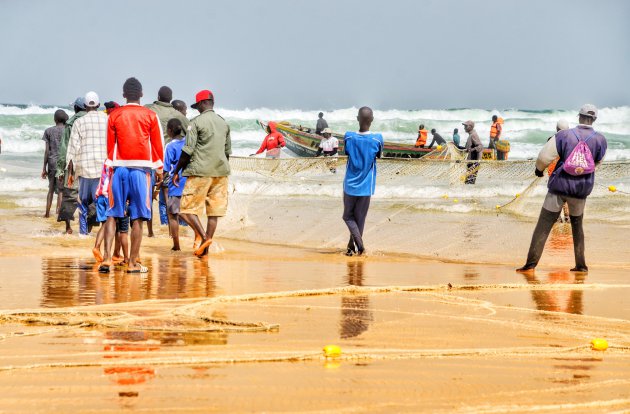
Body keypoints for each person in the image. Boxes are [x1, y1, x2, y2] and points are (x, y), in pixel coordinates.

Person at [516, 105, 607, 274]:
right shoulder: (600, 140)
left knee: (543, 225)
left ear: (579, 116)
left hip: (559, 187)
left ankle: (530, 265)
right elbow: (597, 163)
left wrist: (539, 169)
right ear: (594, 119)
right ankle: (581, 266)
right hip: (581, 190)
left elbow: (544, 157)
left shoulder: (564, 135)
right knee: (577, 227)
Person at [100, 77, 164, 274]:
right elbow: (157, 144)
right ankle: (133, 263)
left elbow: (110, 147)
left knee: (112, 214)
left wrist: (110, 168)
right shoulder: (151, 115)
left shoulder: (114, 115)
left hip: (119, 169)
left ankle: (107, 259)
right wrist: (159, 169)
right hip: (141, 171)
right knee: (138, 217)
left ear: (124, 94)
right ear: (142, 94)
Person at [172, 89, 231, 257]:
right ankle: (204, 249)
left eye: (197, 105)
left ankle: (204, 237)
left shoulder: (195, 123)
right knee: (213, 212)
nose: (196, 108)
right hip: (221, 173)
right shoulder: (224, 123)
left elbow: (188, 150)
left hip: (200, 172)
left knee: (185, 210)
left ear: (203, 103)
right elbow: (227, 152)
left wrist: (177, 171)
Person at [146, 87, 190, 229]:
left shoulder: (148, 110)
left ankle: (160, 228)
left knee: (150, 199)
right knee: (174, 197)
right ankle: (179, 228)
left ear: (158, 96)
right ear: (171, 98)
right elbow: (189, 139)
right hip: (174, 164)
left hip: (151, 161)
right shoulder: (181, 117)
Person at [342, 107, 384, 256]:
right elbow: (379, 155)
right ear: (371, 120)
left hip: (350, 185)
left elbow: (346, 152)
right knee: (359, 218)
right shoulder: (377, 139)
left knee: (348, 216)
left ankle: (356, 247)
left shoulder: (348, 137)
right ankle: (357, 247)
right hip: (366, 186)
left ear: (357, 118)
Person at [66, 91, 108, 235]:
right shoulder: (107, 119)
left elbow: (72, 149)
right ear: (99, 105)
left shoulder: (79, 122)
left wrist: (70, 173)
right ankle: (103, 234)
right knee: (101, 202)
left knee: (83, 203)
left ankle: (83, 234)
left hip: (84, 168)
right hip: (102, 169)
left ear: (84, 106)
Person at [56, 97, 87, 234]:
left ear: (75, 108)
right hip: (90, 164)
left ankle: (68, 227)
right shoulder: (92, 120)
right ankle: (85, 227)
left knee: (69, 196)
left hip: (73, 165)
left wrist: (60, 170)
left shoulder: (70, 124)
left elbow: (64, 149)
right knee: (87, 196)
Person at [163, 118, 191, 251]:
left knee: (173, 214)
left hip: (176, 182)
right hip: (189, 180)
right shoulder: (188, 142)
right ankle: (197, 236)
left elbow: (166, 168)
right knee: (188, 211)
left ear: (169, 131)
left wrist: (161, 181)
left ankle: (176, 245)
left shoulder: (170, 146)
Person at [41, 109, 69, 218]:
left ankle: (47, 213)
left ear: (55, 119)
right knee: (61, 190)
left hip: (52, 163)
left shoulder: (48, 131)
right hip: (63, 162)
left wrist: (44, 167)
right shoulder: (67, 130)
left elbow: (47, 151)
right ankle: (59, 214)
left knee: (51, 189)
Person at [547, 119, 571, 222]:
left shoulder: (551, 139)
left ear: (557, 129)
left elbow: (545, 156)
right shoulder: (572, 140)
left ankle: (557, 217)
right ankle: (567, 217)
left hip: (553, 172)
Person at [463, 120, 483, 184]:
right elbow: (467, 148)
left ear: (470, 127)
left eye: (466, 126)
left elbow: (480, 146)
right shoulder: (471, 135)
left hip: (473, 163)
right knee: (469, 182)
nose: (464, 128)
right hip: (471, 162)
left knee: (469, 182)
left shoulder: (473, 135)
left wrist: (472, 150)